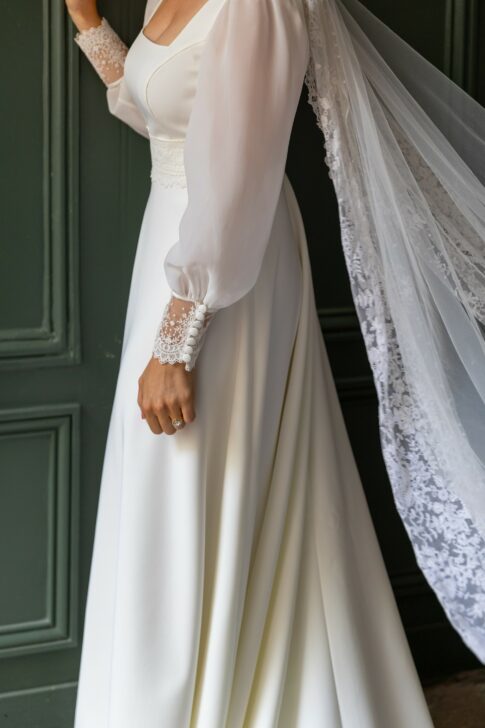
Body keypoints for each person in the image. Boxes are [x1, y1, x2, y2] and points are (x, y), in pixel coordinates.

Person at [67, 0, 485, 725]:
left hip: (227, 271)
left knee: (194, 471)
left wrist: (175, 343)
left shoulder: (261, 5)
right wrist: (88, 24)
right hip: (173, 247)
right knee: (184, 480)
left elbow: (238, 172)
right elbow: (161, 117)